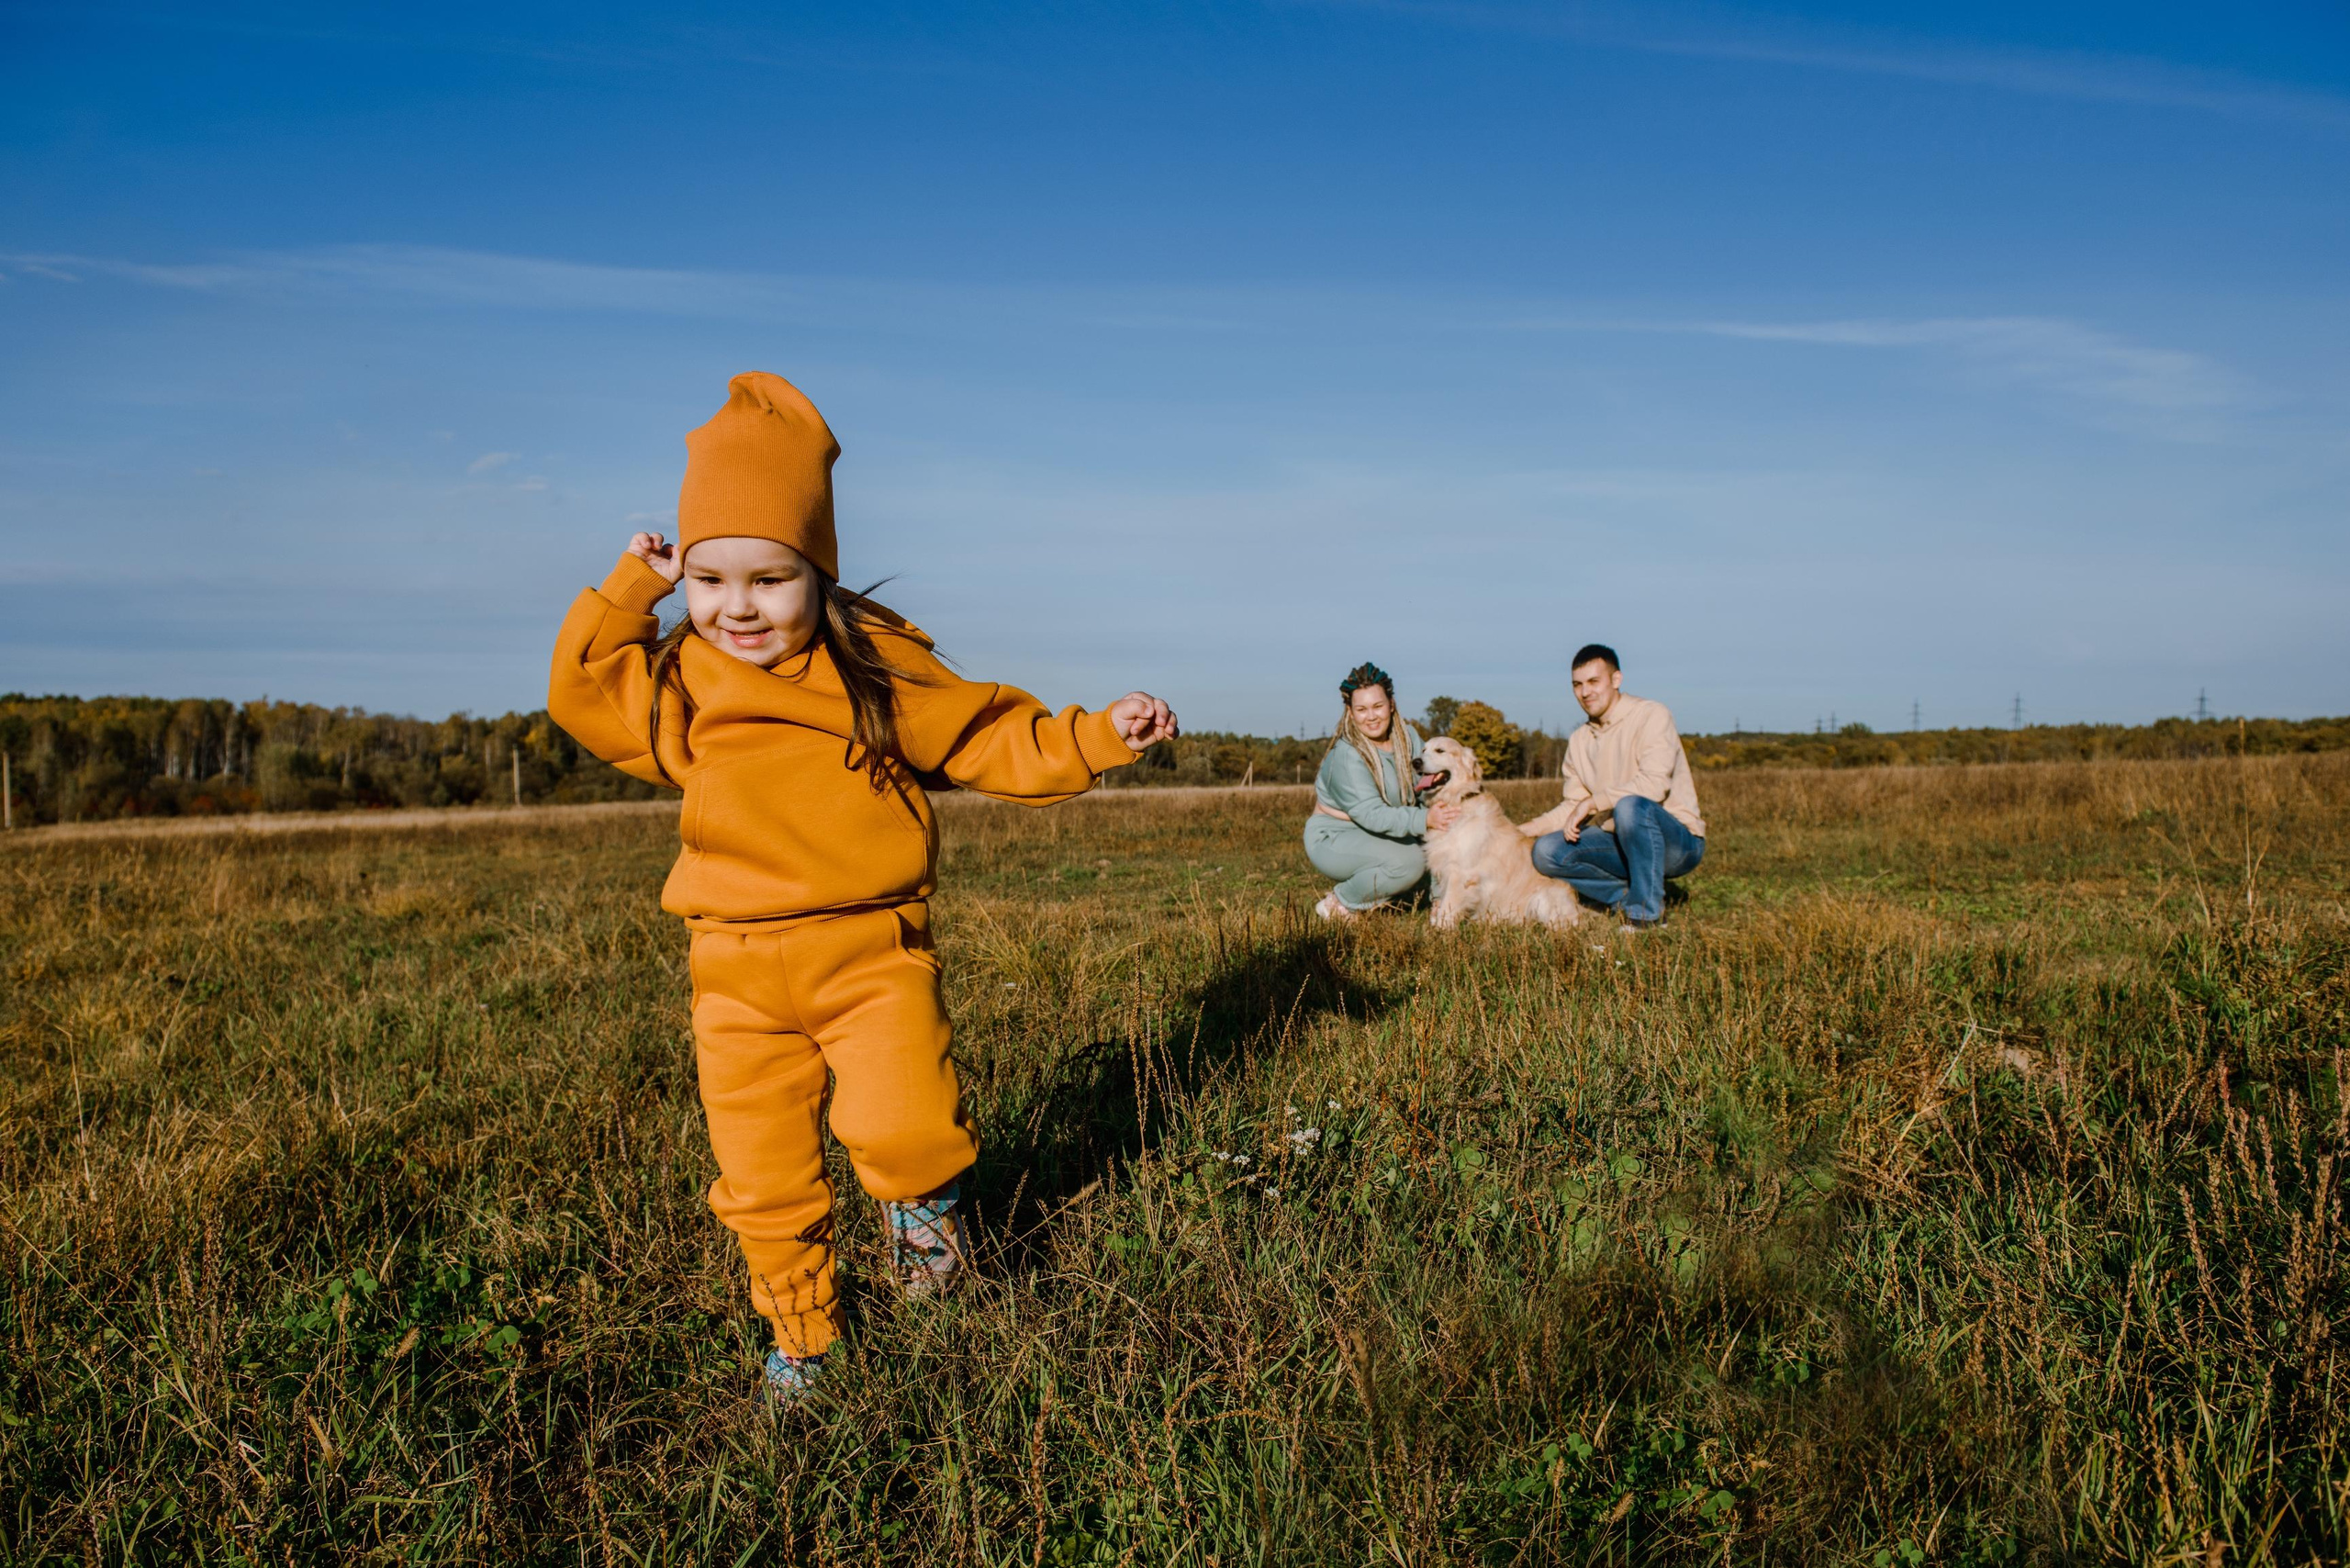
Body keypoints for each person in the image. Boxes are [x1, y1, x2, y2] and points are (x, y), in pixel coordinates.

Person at [547, 372, 1178, 1404]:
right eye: (710, 581)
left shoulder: (872, 667)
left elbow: (987, 734)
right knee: (761, 1175)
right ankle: (803, 1337)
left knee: (905, 1123)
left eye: (768, 579)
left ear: (817, 572)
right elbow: (580, 689)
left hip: (869, 948)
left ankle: (927, 1248)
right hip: (733, 966)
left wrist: (1100, 736)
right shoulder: (680, 681)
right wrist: (631, 587)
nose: (736, 608)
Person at [1519, 644, 1706, 934]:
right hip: (1620, 842)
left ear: (1616, 680)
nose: (1585, 692)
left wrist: (1594, 803)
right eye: (1577, 685)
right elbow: (1572, 806)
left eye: (1594, 682)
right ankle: (1627, 899)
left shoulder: (1652, 715)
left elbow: (1654, 784)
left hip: (1677, 844)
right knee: (1546, 851)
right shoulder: (1580, 740)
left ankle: (1646, 918)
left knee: (1631, 807)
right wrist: (1523, 830)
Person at [1304, 663, 1460, 920]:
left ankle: (1441, 902)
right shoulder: (1347, 755)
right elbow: (1371, 814)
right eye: (1361, 709)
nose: (1371, 716)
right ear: (1350, 713)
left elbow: (1424, 786)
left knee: (1449, 827)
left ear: (1391, 704)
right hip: (1336, 835)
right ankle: (1341, 903)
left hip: (1380, 825)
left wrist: (1443, 805)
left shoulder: (1407, 736)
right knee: (1409, 862)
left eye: (1378, 706)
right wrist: (1424, 820)